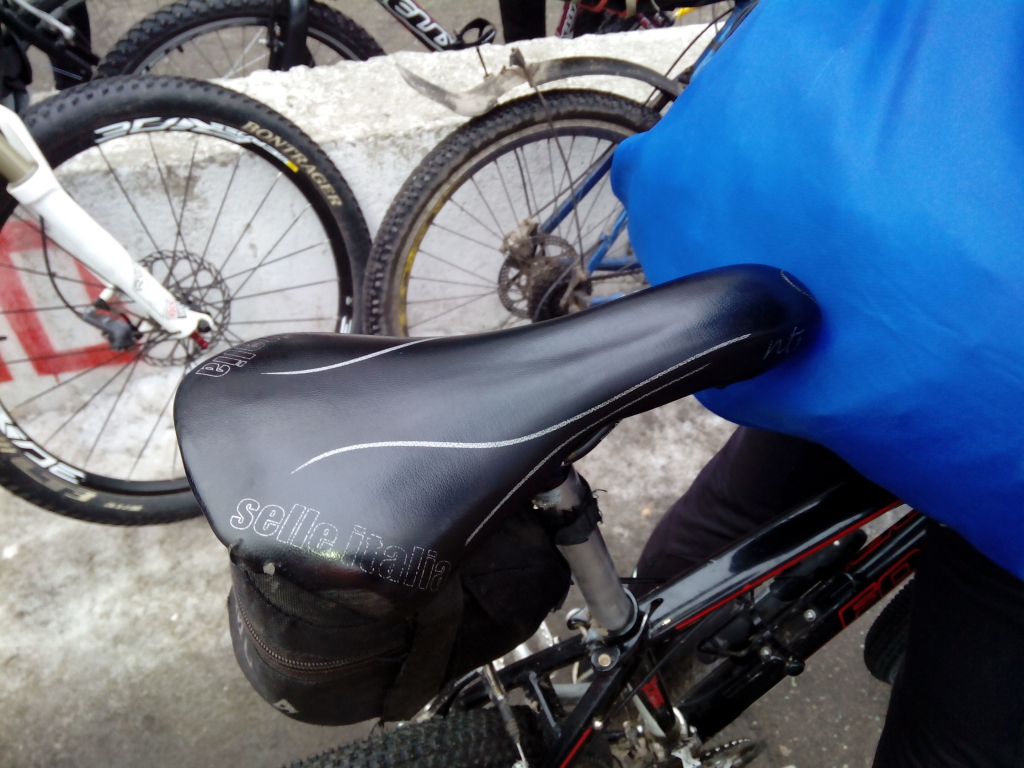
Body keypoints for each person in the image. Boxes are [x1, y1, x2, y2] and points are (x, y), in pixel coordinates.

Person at [611, 1, 1024, 765]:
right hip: (1000, 377)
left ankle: (608, 682)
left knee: (749, 498)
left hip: (847, 252)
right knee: (966, 721)